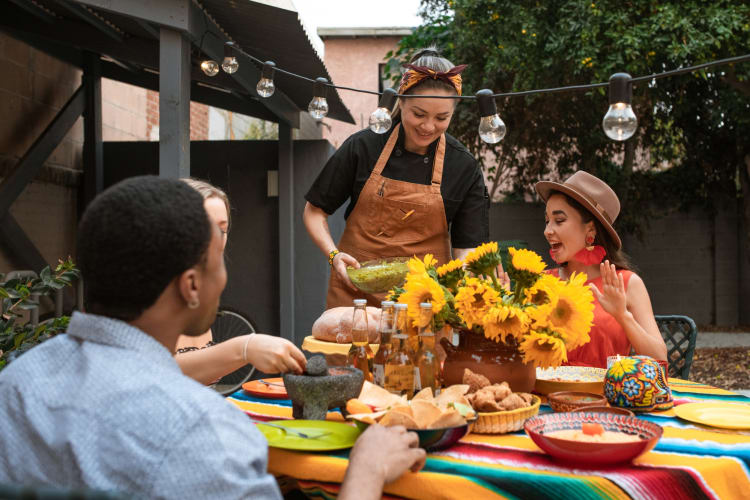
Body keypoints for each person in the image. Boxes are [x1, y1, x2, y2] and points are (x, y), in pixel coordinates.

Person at [0, 176, 425, 499]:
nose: (224, 271)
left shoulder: (16, 383)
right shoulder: (203, 431)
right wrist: (366, 471)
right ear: (191, 286)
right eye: (215, 256)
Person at [304, 47, 490, 308]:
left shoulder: (462, 166)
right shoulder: (365, 146)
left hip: (424, 305)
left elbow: (468, 247)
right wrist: (334, 255)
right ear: (400, 101)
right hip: (355, 297)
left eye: (441, 118)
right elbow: (314, 211)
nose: (428, 127)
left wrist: (460, 283)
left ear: (453, 113)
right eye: (419, 114)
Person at [175, 178, 306, 384]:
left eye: (223, 229)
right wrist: (244, 348)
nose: (217, 238)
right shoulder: (153, 293)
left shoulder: (198, 291)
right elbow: (153, 371)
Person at [535, 171, 667, 368]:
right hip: (544, 396)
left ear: (591, 230)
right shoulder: (540, 281)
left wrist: (622, 315)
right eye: (547, 221)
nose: (547, 231)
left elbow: (660, 359)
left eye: (559, 220)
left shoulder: (628, 283)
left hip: (605, 396)